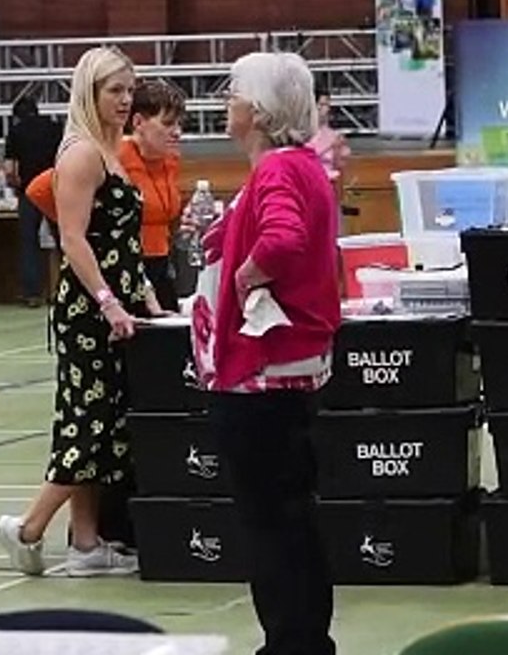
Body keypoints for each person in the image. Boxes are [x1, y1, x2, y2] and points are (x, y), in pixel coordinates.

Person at [0, 46, 167, 578]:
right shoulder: (81, 155)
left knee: (103, 423)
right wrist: (110, 301)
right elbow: (73, 240)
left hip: (120, 305)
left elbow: (122, 241)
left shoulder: (115, 151)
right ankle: (26, 529)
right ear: (89, 93)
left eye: (128, 89)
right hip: (89, 311)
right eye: (113, 90)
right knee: (90, 425)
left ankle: (87, 544)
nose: (124, 99)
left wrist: (148, 300)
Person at [191, 51, 342, 655]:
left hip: (260, 373)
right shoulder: (301, 167)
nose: (227, 105)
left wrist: (246, 276)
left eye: (233, 95)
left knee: (269, 523)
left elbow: (283, 239)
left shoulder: (278, 171)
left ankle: (289, 644)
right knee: (291, 518)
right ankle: (302, 640)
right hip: (289, 371)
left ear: (255, 109)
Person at [120, 80, 185, 312]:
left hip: (161, 264)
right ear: (138, 122)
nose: (177, 132)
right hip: (124, 268)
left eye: (179, 124)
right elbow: (41, 190)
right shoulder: (111, 158)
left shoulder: (169, 159)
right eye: (167, 124)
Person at [4, 96, 64, 307]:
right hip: (56, 188)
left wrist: (15, 186)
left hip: (29, 191)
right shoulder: (56, 128)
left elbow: (10, 169)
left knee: (29, 242)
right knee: (66, 240)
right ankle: (70, 287)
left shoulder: (16, 132)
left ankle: (33, 293)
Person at [307, 87, 350, 182]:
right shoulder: (298, 135)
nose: (327, 109)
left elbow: (339, 167)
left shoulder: (335, 137)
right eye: (322, 104)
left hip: (328, 183)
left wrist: (337, 150)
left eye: (327, 105)